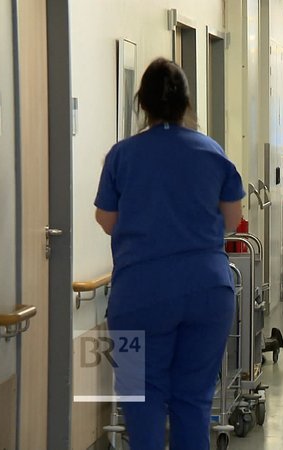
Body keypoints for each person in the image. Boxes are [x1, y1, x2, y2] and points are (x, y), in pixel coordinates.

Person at [94, 58, 244, 449]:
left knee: (140, 401)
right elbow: (232, 219)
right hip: (208, 291)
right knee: (193, 400)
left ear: (141, 103)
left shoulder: (122, 155)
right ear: (186, 103)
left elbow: (107, 221)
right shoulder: (212, 152)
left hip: (138, 293)